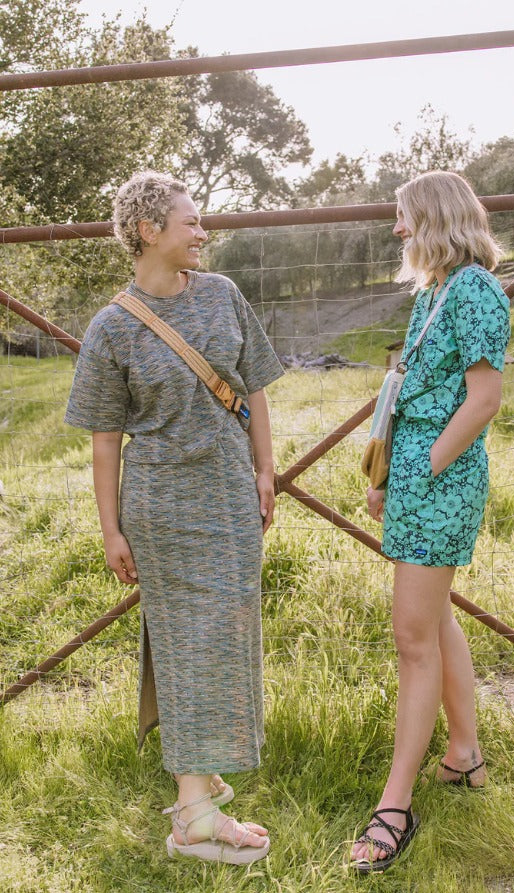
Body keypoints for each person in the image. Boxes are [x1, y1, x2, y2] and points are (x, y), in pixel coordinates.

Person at [65, 171, 284, 865]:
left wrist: (265, 468)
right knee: (189, 635)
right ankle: (194, 814)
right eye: (190, 221)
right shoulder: (111, 328)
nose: (202, 231)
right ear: (148, 230)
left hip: (229, 491)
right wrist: (111, 528)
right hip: (160, 505)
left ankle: (201, 767)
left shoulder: (222, 295)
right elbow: (105, 440)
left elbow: (253, 388)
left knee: (227, 627)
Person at [351, 171, 510, 873]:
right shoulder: (434, 291)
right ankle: (464, 754)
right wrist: (390, 476)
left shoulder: (475, 290)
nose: (397, 229)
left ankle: (395, 805)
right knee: (435, 617)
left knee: (412, 639)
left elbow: (484, 398)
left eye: (404, 216)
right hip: (417, 478)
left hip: (441, 482)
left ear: (436, 218)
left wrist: (425, 469)